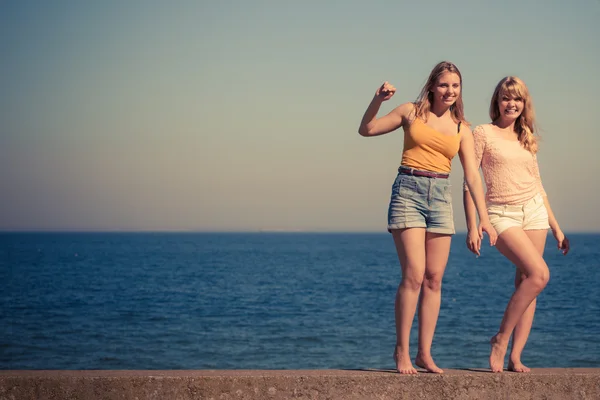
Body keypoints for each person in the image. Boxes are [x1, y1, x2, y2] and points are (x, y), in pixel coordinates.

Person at [358, 61, 497, 374]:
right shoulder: (411, 111)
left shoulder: (462, 128)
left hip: (441, 197)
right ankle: (401, 351)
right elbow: (366, 130)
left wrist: (483, 220)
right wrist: (377, 100)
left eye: (455, 86)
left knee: (434, 279)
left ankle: (424, 353)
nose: (450, 91)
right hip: (408, 190)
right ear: (433, 85)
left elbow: (473, 177)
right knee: (415, 274)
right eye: (445, 85)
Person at [462, 76, 570, 373]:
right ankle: (500, 339)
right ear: (497, 101)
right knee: (539, 274)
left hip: (534, 212)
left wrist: (556, 227)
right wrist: (474, 225)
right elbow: (469, 182)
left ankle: (515, 356)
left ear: (525, 105)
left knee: (527, 282)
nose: (512, 104)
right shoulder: (483, 133)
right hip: (501, 213)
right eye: (506, 98)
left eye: (518, 99)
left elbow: (538, 185)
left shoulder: (527, 138)